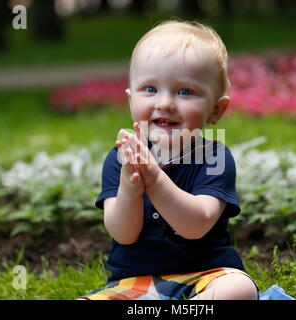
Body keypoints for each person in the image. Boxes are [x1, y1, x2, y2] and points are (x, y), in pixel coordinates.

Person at [79, 20, 259, 300]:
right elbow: (123, 234)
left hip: (206, 276)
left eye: (185, 91)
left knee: (239, 288)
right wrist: (130, 187)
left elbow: (195, 225)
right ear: (130, 101)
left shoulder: (214, 157)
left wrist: (154, 178)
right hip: (135, 282)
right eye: (150, 89)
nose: (165, 103)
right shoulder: (121, 158)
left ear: (216, 110)